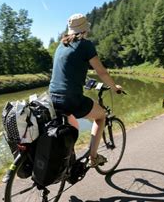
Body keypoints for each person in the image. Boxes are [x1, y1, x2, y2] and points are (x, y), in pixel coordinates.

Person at [49, 13, 123, 167]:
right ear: (84, 30)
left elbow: (66, 72)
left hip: (52, 97)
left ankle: (69, 159)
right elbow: (101, 71)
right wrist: (115, 87)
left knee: (72, 125)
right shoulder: (85, 44)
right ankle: (93, 157)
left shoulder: (61, 46)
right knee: (101, 115)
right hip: (70, 98)